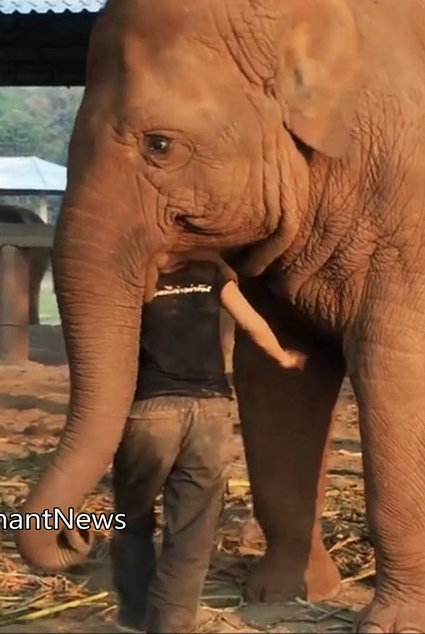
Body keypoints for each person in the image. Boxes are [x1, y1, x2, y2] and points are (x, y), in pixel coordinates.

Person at [111, 253, 306, 633]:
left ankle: (135, 617)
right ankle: (172, 621)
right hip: (211, 412)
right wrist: (282, 357)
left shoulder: (135, 272)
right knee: (193, 528)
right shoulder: (212, 272)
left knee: (132, 518)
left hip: (150, 410)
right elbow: (251, 322)